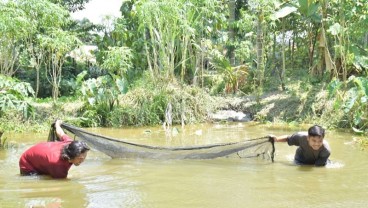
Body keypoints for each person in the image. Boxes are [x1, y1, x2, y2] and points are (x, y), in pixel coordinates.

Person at [19, 120, 90, 178]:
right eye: (80, 158)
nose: (83, 161)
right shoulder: (58, 165)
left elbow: (60, 133)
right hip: (27, 163)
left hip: (38, 156)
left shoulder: (69, 143)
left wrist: (57, 124)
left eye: (84, 157)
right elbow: (62, 184)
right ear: (71, 155)